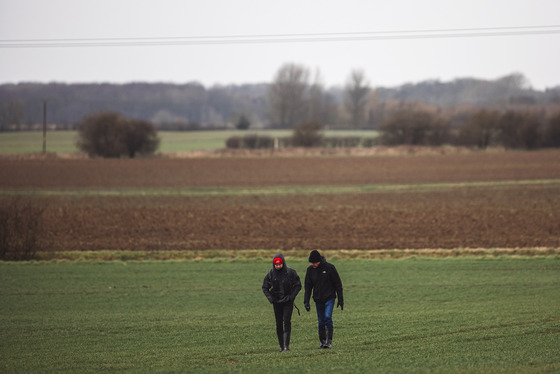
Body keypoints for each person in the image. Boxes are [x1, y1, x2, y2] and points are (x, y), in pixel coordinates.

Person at [303, 250, 343, 349]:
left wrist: (340, 299)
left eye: (314, 262)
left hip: (329, 298)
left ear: (319, 261)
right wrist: (306, 301)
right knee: (321, 321)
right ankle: (322, 342)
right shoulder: (310, 270)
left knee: (327, 317)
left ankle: (329, 342)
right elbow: (308, 287)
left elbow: (338, 284)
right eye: (311, 263)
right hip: (318, 299)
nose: (312, 264)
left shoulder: (330, 268)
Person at [262, 253, 302, 352]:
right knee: (279, 323)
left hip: (287, 301)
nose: (278, 266)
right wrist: (271, 298)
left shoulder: (291, 272)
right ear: (274, 265)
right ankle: (281, 346)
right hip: (277, 302)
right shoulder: (270, 274)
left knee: (286, 321)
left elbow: (298, 285)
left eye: (280, 264)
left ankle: (286, 346)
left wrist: (291, 297)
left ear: (283, 263)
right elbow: (265, 287)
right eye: (276, 265)